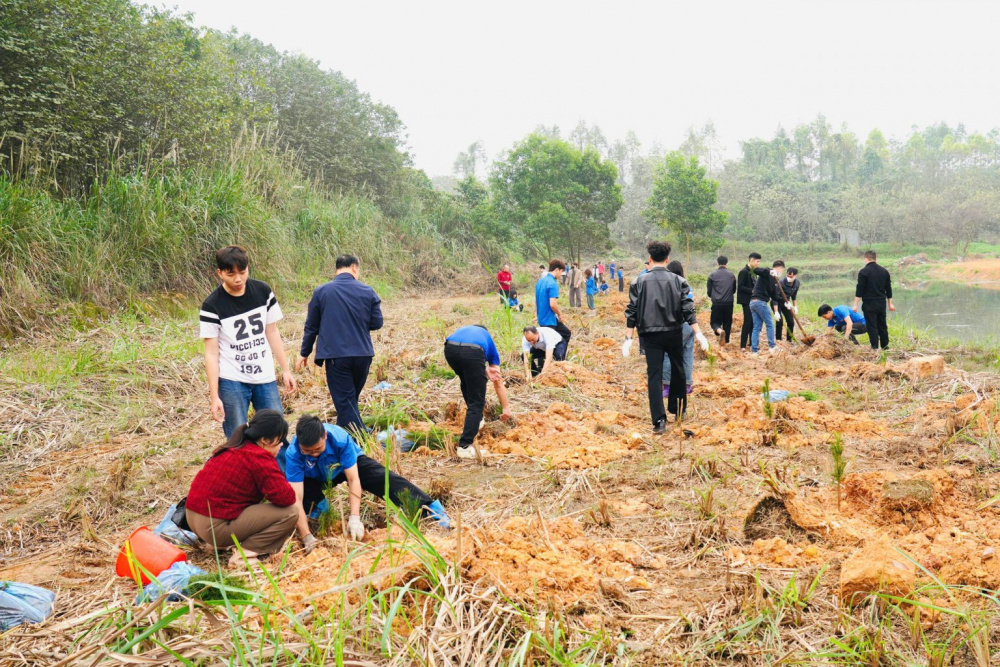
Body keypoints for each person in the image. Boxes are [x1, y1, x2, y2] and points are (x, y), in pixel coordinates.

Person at [284, 416, 451, 549]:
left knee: (382, 478)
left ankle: (429, 508)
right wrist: (306, 537)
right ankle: (319, 512)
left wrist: (354, 517)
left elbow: (353, 479)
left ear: (325, 437)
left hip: (344, 468)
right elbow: (296, 497)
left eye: (317, 449)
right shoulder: (294, 453)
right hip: (314, 477)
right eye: (308, 451)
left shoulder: (340, 439)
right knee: (295, 492)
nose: (313, 454)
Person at [200, 245, 297, 438]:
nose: (238, 279)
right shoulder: (211, 306)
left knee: (277, 434)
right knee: (236, 437)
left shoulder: (263, 291)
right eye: (230, 274)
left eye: (242, 272)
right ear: (219, 273)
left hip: (265, 376)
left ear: (248, 268)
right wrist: (214, 396)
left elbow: (272, 332)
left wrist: (286, 370)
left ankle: (279, 470)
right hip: (232, 380)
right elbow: (211, 353)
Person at [185, 409, 298, 567]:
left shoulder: (234, 447)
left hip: (192, 518)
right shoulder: (259, 457)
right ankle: (244, 555)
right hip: (213, 528)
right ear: (265, 440)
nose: (281, 445)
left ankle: (216, 545)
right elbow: (286, 498)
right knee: (290, 513)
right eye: (279, 440)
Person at [624, 241, 709, 433]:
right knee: (678, 370)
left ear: (650, 259)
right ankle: (678, 410)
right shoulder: (679, 281)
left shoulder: (639, 281)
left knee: (654, 375)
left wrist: (628, 338)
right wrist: (699, 333)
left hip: (650, 334)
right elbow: (688, 310)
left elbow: (632, 311)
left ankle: (659, 421)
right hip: (673, 333)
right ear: (667, 259)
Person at [298, 254, 383, 436]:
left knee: (345, 401)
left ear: (337, 269)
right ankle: (347, 433)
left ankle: (358, 440)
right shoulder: (368, 291)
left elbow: (311, 326)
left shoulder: (322, 292)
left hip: (336, 357)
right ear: (354, 268)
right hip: (363, 355)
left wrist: (304, 352)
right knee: (349, 400)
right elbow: (377, 323)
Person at [443, 325, 512, 458]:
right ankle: (465, 446)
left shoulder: (468, 331)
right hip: (472, 352)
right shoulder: (488, 340)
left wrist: (482, 368)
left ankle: (477, 419)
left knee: (466, 381)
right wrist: (506, 408)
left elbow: (463, 354)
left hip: (450, 348)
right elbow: (497, 380)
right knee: (477, 401)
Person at [661, 261, 695, 406]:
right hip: (690, 324)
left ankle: (667, 386)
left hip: (677, 325)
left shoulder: (671, 286)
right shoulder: (687, 285)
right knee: (687, 354)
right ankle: (687, 385)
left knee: (668, 354)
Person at [854, 250, 895, 350]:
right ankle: (885, 346)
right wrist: (890, 304)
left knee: (872, 326)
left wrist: (855, 305)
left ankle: (875, 347)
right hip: (881, 303)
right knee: (882, 324)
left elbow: (860, 289)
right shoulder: (884, 271)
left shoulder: (863, 272)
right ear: (875, 259)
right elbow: (888, 289)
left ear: (866, 259)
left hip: (869, 303)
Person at [535, 259, 571, 354]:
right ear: (557, 270)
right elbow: (552, 304)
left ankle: (545, 362)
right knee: (561, 336)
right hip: (549, 319)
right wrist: (559, 314)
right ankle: (559, 359)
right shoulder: (552, 283)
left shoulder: (540, 281)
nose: (561, 275)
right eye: (561, 272)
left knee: (546, 340)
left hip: (541, 317)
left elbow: (537, 300)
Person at [749, 260, 785, 355]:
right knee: (770, 324)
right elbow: (756, 270)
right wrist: (769, 271)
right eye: (782, 270)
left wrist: (785, 302)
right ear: (779, 268)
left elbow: (774, 296)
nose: (781, 273)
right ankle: (772, 346)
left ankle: (754, 350)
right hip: (759, 302)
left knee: (756, 327)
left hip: (755, 303)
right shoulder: (767, 272)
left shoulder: (774, 280)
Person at [706, 256, 736, 344]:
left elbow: (709, 292)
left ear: (717, 263)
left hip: (717, 303)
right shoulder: (731, 275)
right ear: (727, 263)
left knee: (714, 322)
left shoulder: (712, 275)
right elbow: (733, 290)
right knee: (727, 322)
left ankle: (719, 331)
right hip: (729, 303)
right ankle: (726, 341)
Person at [737, 253, 760, 350]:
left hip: (753, 300)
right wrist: (751, 291)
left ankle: (751, 343)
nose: (758, 264)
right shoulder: (744, 271)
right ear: (751, 260)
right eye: (757, 261)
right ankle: (742, 345)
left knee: (753, 322)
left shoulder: (753, 272)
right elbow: (740, 286)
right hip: (746, 300)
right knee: (748, 321)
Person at [774, 268, 801, 342]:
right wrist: (776, 312)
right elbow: (775, 298)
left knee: (791, 322)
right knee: (779, 321)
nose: (789, 278)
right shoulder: (781, 282)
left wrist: (795, 306)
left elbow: (794, 295)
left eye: (791, 277)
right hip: (777, 303)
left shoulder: (797, 283)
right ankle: (778, 340)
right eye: (788, 276)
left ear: (795, 276)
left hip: (787, 304)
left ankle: (789, 341)